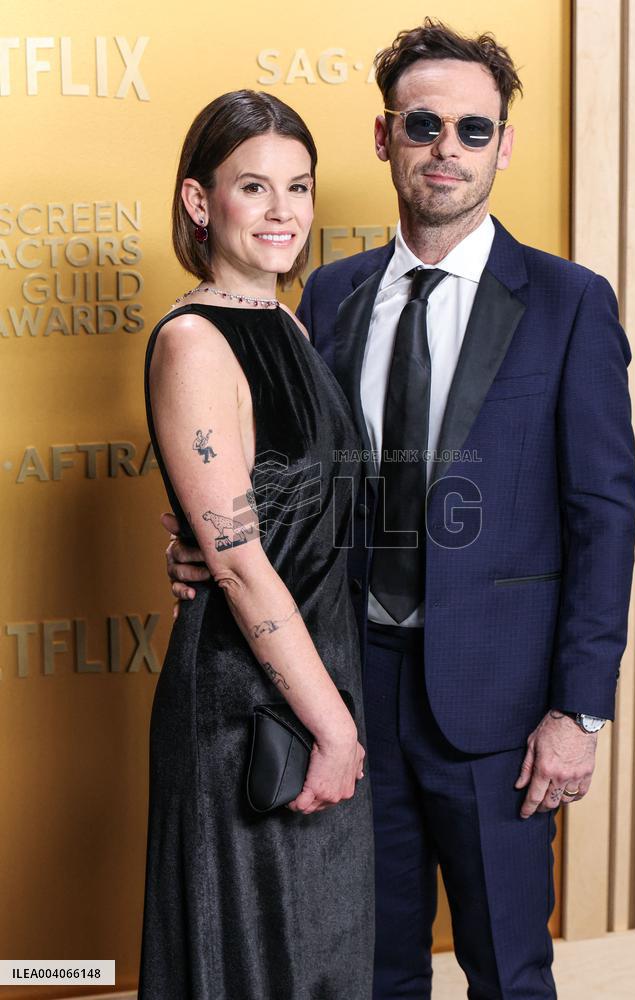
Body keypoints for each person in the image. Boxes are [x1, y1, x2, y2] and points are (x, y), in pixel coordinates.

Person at [165, 20, 635, 1000]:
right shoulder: (326, 298)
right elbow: (273, 478)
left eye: (474, 129)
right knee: (365, 971)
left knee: (508, 969)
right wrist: (196, 546)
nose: (447, 150)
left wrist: (578, 709)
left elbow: (604, 515)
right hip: (348, 691)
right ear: (386, 139)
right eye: (424, 124)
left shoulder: (568, 303)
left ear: (504, 143)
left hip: (500, 713)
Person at [138, 89, 374, 1000]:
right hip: (248, 713)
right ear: (201, 203)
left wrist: (333, 715)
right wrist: (336, 726)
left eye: (300, 187)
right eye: (254, 187)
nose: (284, 212)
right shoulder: (196, 342)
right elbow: (237, 560)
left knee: (319, 963)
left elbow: (280, 516)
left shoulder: (290, 324)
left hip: (311, 685)